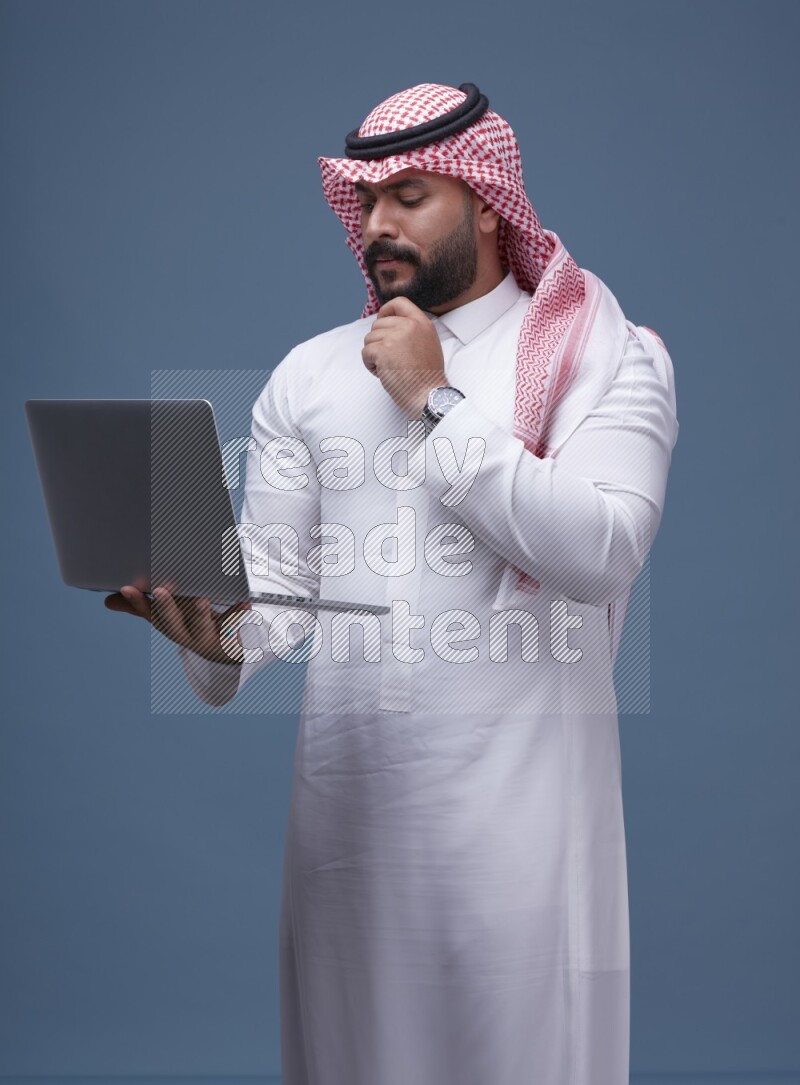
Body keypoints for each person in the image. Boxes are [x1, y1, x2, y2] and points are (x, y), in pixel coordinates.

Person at [107, 82, 678, 1085]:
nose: (375, 222)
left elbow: (599, 547)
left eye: (407, 195)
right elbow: (275, 601)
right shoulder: (311, 375)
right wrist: (213, 635)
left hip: (526, 830)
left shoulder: (604, 352)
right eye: (363, 199)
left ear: (487, 202)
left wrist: (433, 397)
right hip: (350, 830)